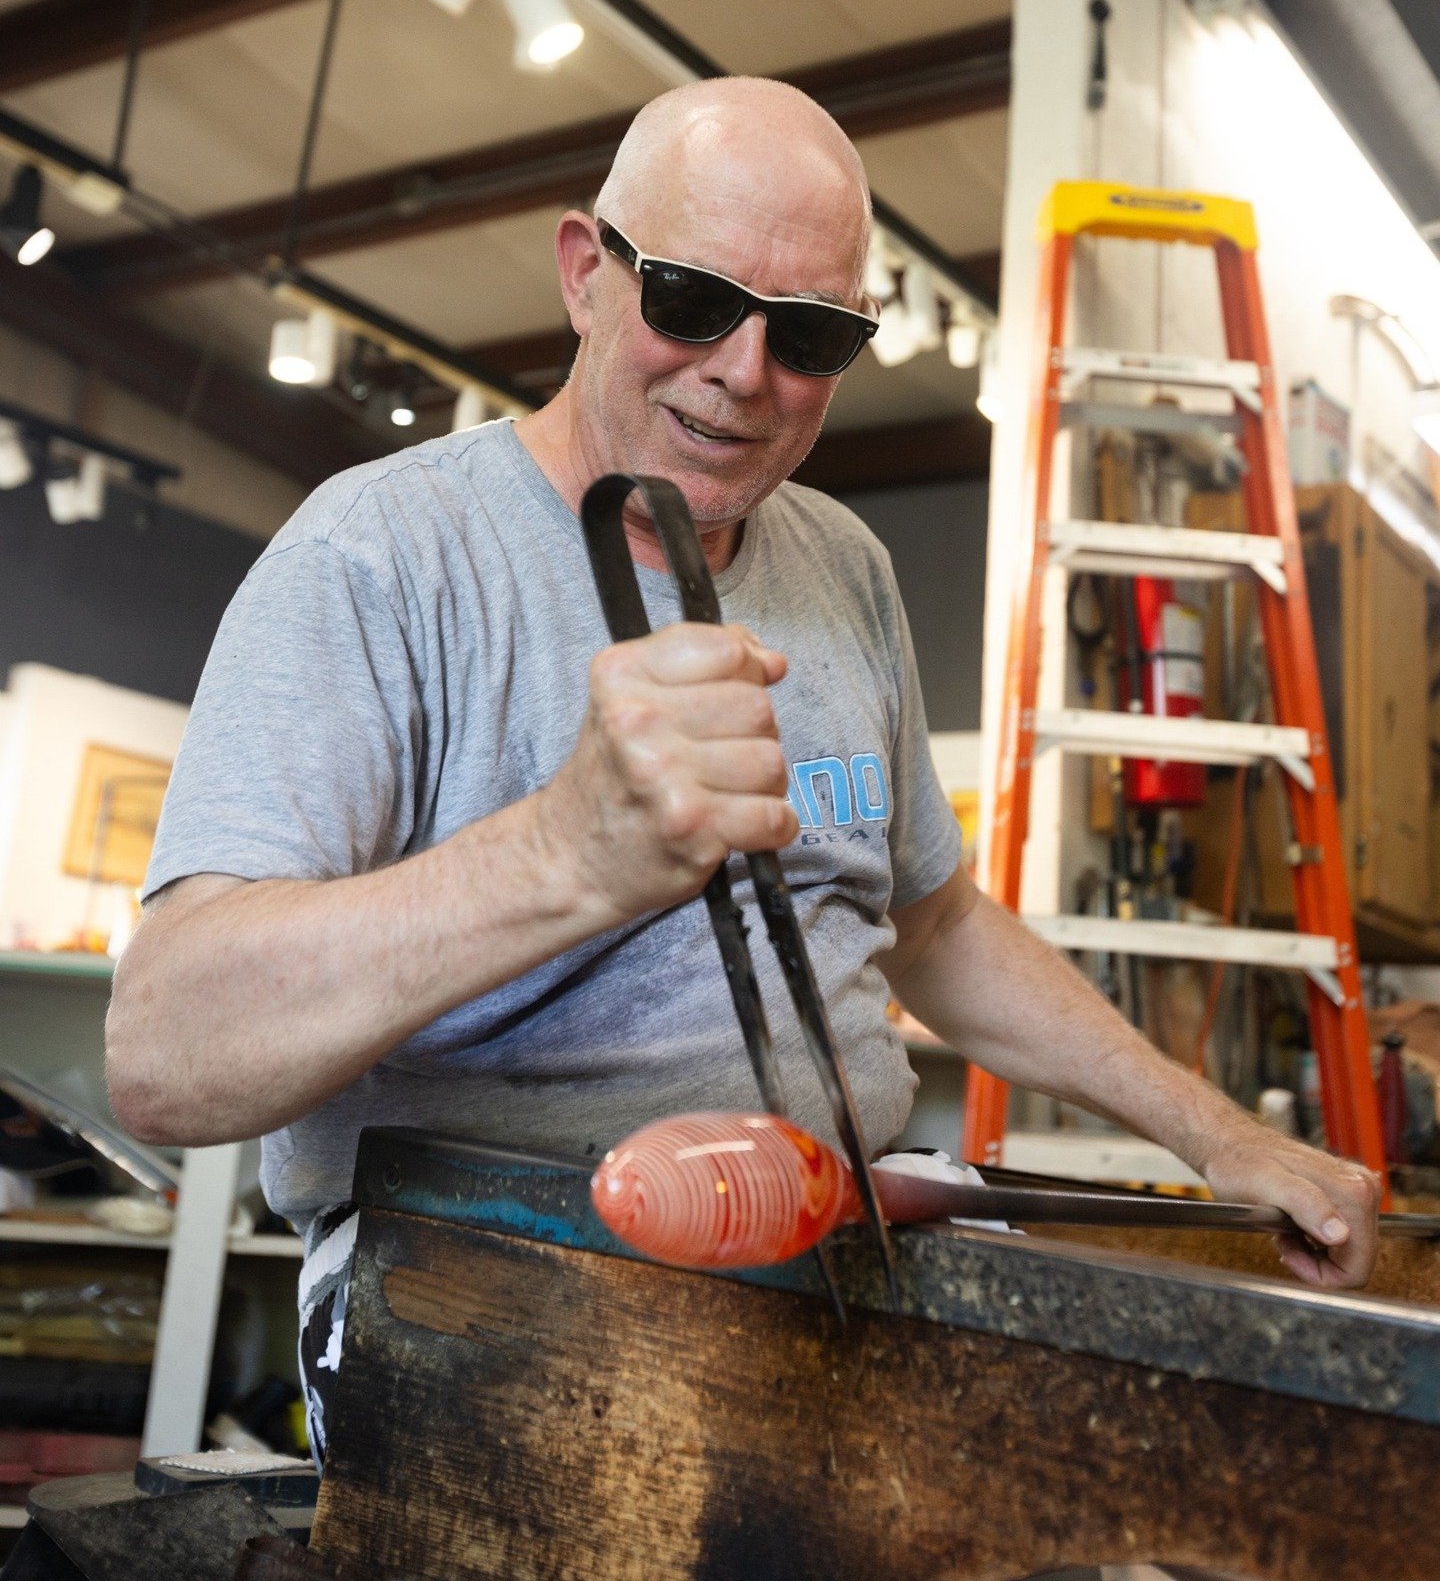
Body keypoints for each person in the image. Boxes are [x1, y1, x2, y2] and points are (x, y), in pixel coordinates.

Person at [105, 78, 1379, 1461]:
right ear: (587, 275)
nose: (745, 373)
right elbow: (167, 1053)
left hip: (844, 1274)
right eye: (695, 302)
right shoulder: (382, 560)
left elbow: (935, 923)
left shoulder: (845, 568)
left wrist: (1220, 1137)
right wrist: (562, 856)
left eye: (814, 335)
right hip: (476, 1295)